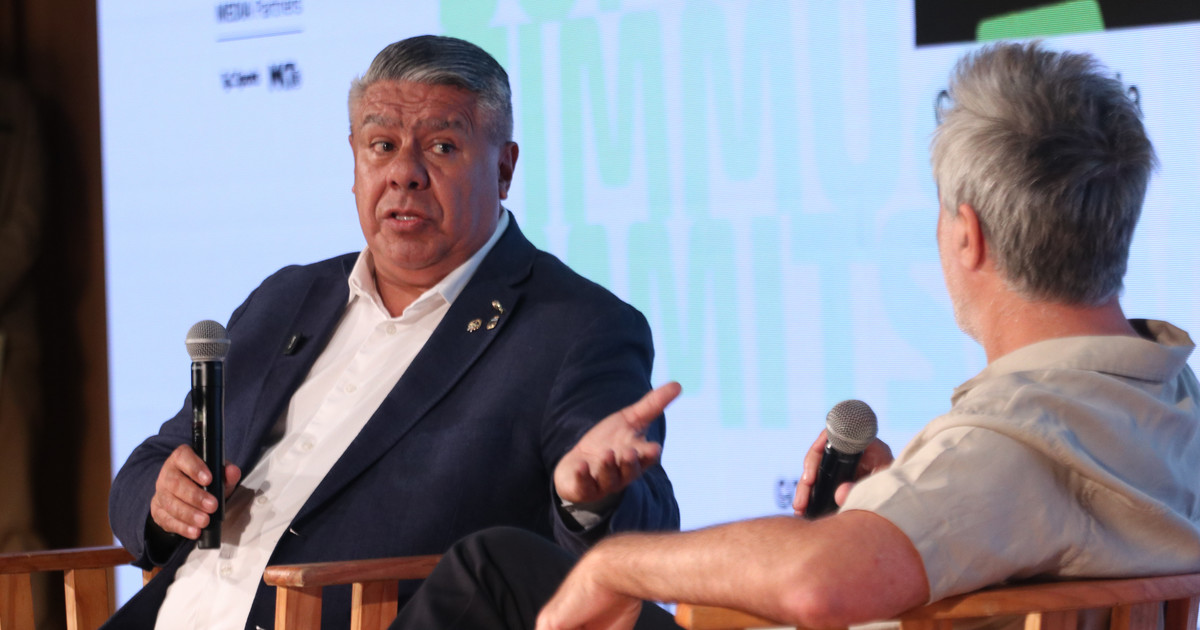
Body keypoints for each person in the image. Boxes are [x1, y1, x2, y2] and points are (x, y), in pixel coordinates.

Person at [387, 41, 1200, 630]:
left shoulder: (1009, 445)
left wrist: (615, 564)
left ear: (968, 235)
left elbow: (817, 585)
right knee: (507, 567)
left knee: (491, 573)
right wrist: (895, 503)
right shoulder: (1167, 395)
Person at [104, 35, 679, 629]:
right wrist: (163, 498)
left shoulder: (575, 328)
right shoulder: (288, 298)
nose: (405, 173)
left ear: (504, 169)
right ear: (355, 163)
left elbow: (645, 544)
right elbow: (149, 467)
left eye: (442, 147)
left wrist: (593, 501)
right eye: (382, 146)